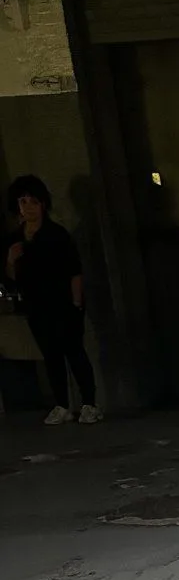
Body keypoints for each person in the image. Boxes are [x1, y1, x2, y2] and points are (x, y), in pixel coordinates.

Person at [5, 174, 101, 427]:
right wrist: (11, 261)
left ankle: (89, 403)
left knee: (74, 352)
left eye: (33, 202)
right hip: (36, 306)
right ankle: (62, 404)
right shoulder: (16, 239)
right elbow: (12, 278)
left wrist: (76, 303)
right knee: (51, 356)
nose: (28, 207)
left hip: (62, 303)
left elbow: (74, 270)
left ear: (43, 204)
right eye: (23, 202)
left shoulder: (56, 235)